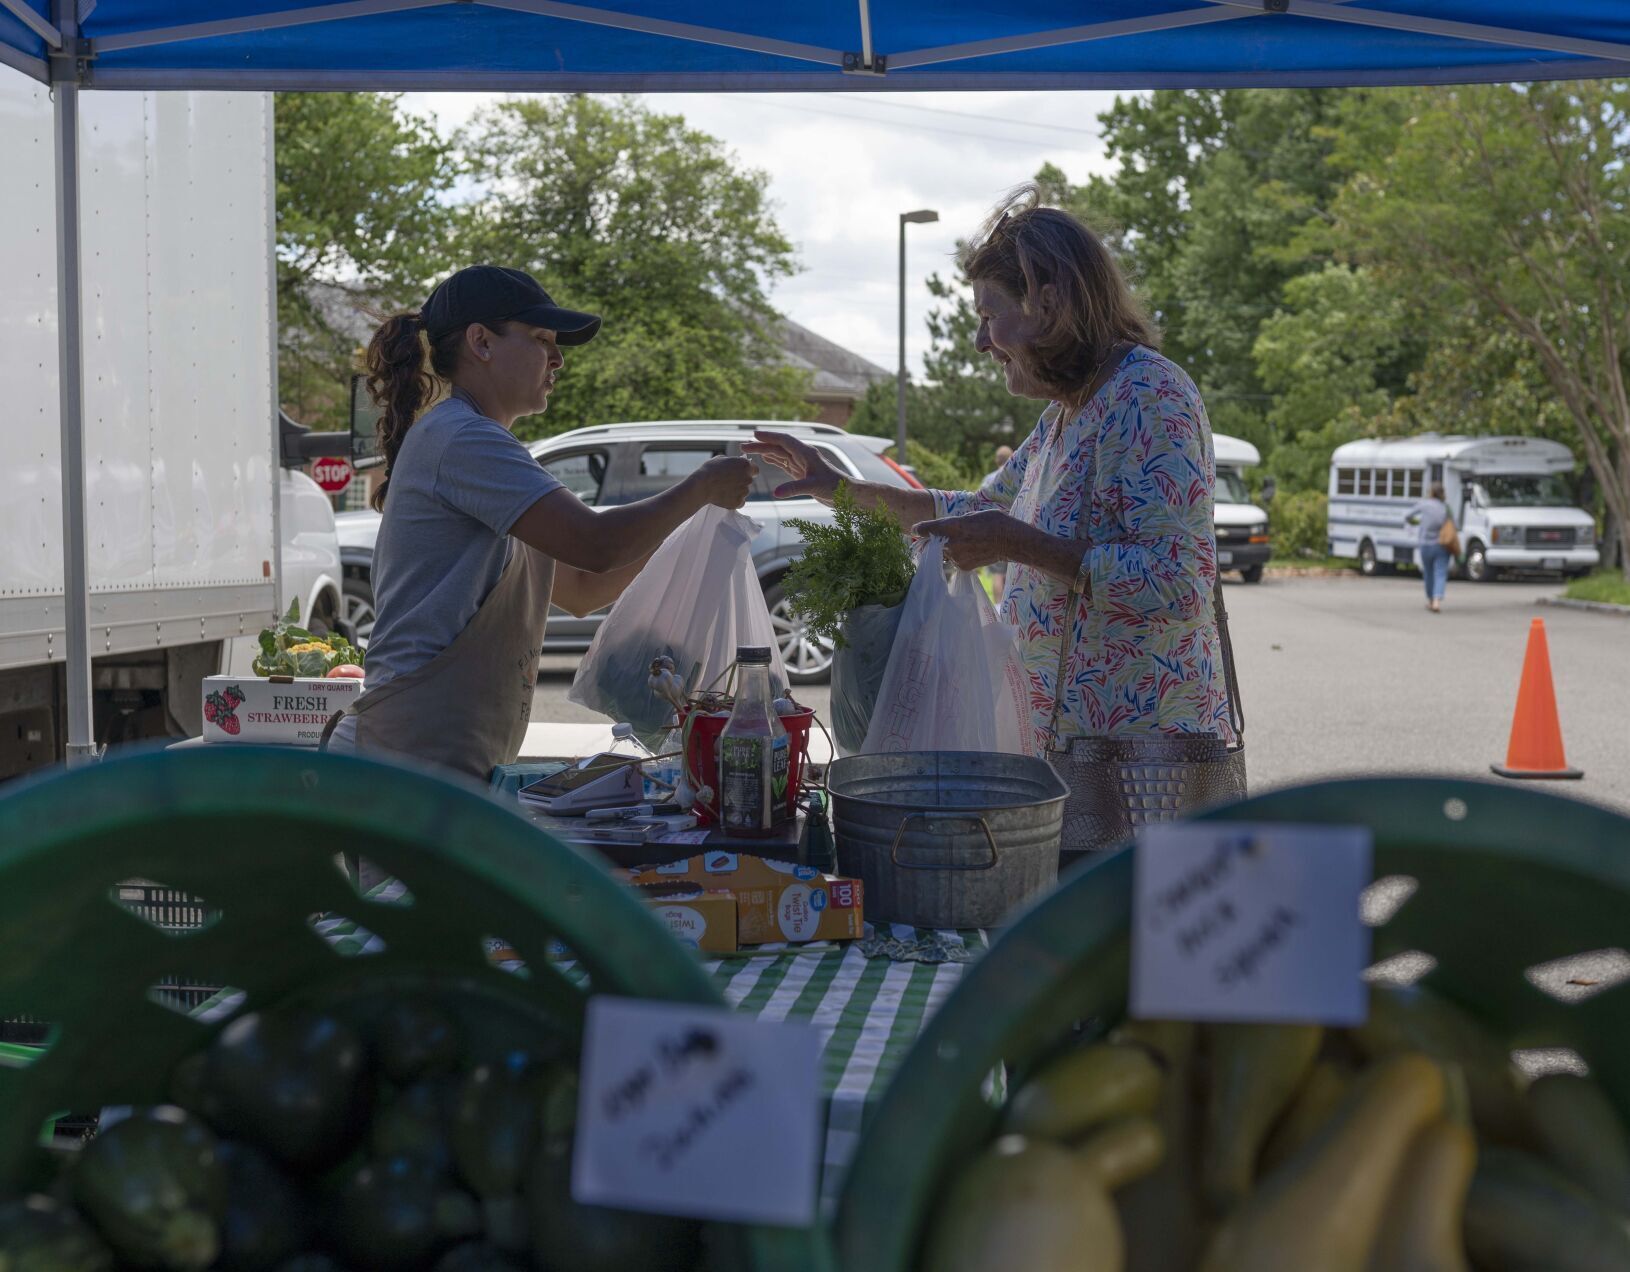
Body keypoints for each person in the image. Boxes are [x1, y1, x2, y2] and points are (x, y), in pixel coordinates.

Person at [747, 185, 1240, 858]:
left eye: (990, 315)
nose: (980, 340)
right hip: (1074, 761)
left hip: (1142, 771)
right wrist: (838, 489)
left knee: (1127, 964)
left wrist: (1022, 547)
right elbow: (972, 514)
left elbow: (1179, 583)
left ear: (1051, 300)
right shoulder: (1068, 411)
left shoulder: (1150, 396)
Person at [323, 265, 755, 778]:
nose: (559, 359)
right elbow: (596, 545)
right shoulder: (463, 439)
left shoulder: (485, 445)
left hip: (443, 746)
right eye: (542, 338)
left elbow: (581, 587)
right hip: (413, 752)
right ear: (481, 342)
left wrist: (692, 525)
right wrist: (698, 488)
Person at [1408, 482, 1454, 613]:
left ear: (1431, 492)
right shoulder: (1445, 507)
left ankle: (1430, 599)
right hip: (1442, 544)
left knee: (1428, 572)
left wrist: (1417, 522)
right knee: (1440, 573)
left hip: (1425, 544)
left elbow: (1408, 516)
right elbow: (1453, 524)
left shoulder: (1424, 504)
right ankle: (1436, 601)